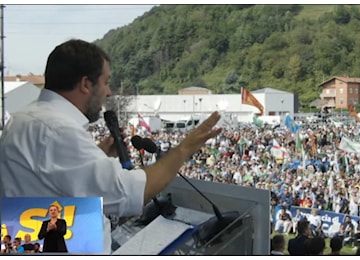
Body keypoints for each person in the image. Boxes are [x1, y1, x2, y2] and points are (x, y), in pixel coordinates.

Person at [0, 39, 222, 254]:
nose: (108, 92)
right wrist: (183, 150)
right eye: (105, 82)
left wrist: (96, 155)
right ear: (86, 84)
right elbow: (128, 193)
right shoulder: (57, 130)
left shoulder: (24, 119)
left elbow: (52, 180)